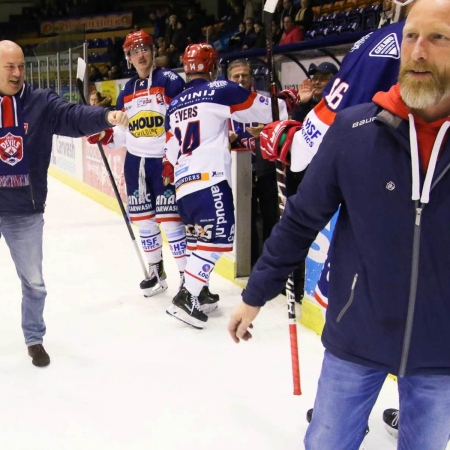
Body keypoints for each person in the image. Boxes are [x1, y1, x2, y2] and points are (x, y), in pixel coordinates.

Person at [229, 1, 450, 449]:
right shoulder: (355, 129)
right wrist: (255, 294)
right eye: (411, 36)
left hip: (441, 350)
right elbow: (300, 220)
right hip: (356, 336)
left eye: (438, 38)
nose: (418, 51)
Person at [0, 40, 128, 367]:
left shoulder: (41, 102)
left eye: (21, 66)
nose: (16, 73)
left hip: (24, 211)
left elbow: (73, 116)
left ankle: (34, 337)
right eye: (8, 67)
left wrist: (106, 116)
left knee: (34, 283)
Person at [163, 43, 292, 330]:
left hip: (183, 186)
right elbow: (269, 110)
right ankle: (187, 296)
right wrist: (287, 99)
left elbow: (170, 152)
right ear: (212, 66)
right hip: (209, 180)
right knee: (218, 238)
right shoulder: (219, 89)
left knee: (199, 240)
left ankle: (200, 294)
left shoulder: (174, 104)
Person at [98, 31, 194, 300]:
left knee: (172, 223)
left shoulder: (171, 80)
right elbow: (121, 134)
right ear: (128, 58)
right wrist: (104, 135)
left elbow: (182, 121)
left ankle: (188, 279)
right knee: (145, 223)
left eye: (144, 49)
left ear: (152, 51)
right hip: (135, 165)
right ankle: (156, 273)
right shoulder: (126, 91)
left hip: (164, 164)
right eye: (134, 51)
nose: (140, 55)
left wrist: (175, 159)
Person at [227, 59, 281, 266]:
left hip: (266, 170)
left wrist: (268, 131)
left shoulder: (265, 101)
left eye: (245, 75)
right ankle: (249, 265)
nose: (241, 79)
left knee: (271, 219)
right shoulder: (222, 106)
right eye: (236, 76)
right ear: (229, 79)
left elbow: (283, 127)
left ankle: (270, 265)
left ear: (252, 78)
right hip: (238, 172)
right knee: (244, 220)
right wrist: (226, 140)